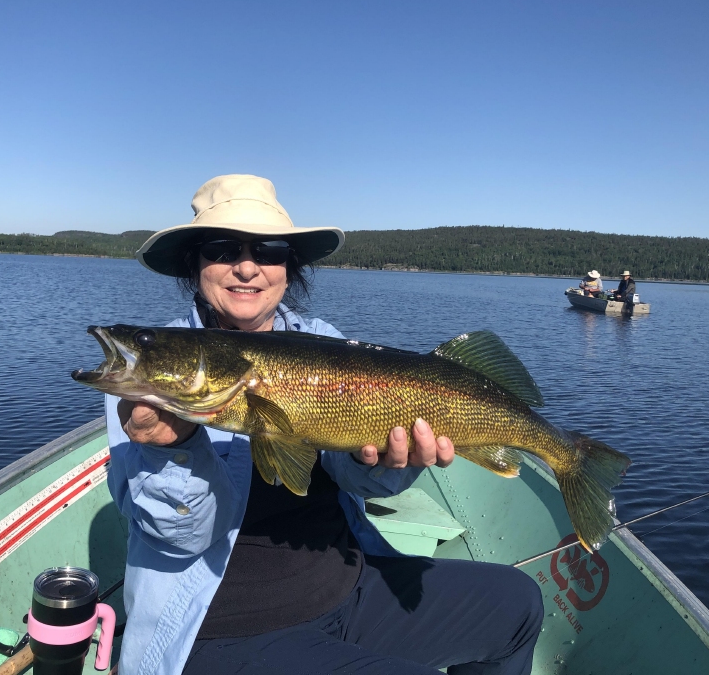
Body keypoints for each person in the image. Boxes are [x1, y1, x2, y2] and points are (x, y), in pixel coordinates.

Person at [106, 174, 544, 675]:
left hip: (345, 588)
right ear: (195, 264)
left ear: (288, 269)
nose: (246, 267)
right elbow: (183, 537)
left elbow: (357, 479)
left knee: (518, 605)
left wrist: (381, 461)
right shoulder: (145, 391)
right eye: (222, 249)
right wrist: (171, 448)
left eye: (269, 251)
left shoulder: (322, 341)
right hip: (226, 627)